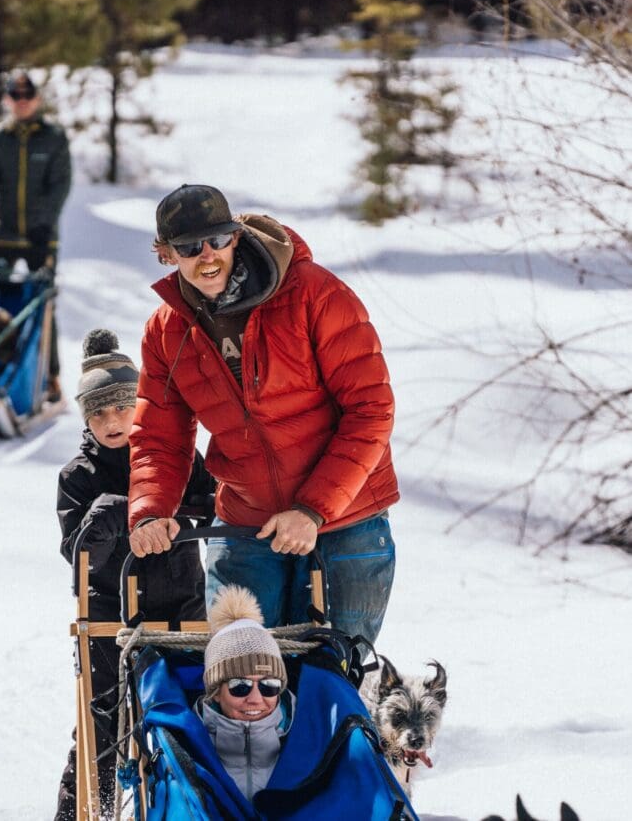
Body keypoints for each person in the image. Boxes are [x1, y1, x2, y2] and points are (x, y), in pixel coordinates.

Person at [127, 183, 399, 641]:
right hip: (246, 524)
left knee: (338, 675)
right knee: (239, 669)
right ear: (167, 255)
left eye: (217, 239)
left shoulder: (314, 294)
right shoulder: (166, 332)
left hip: (346, 519)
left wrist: (312, 510)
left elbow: (370, 408)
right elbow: (159, 436)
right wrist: (151, 511)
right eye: (190, 247)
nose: (207, 255)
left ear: (235, 236)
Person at [54, 328, 214, 820]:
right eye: (99, 412)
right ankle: (87, 810)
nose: (112, 421)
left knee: (186, 712)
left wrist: (175, 518)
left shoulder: (177, 455)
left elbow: (210, 509)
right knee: (102, 720)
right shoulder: (78, 476)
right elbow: (74, 550)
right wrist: (113, 518)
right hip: (108, 614)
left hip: (180, 607)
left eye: (122, 408)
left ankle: (186, 807)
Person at [0, 69, 71, 401]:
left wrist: (45, 223)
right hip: (4, 234)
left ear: (37, 100)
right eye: (16, 97)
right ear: (7, 100)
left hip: (41, 237)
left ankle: (50, 375)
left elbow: (60, 184)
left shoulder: (53, 137)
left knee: (42, 304)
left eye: (27, 97)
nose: (22, 102)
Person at [198, 584, 294, 803]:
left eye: (268, 685)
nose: (255, 699)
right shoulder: (189, 745)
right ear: (215, 693)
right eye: (239, 686)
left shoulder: (305, 740)